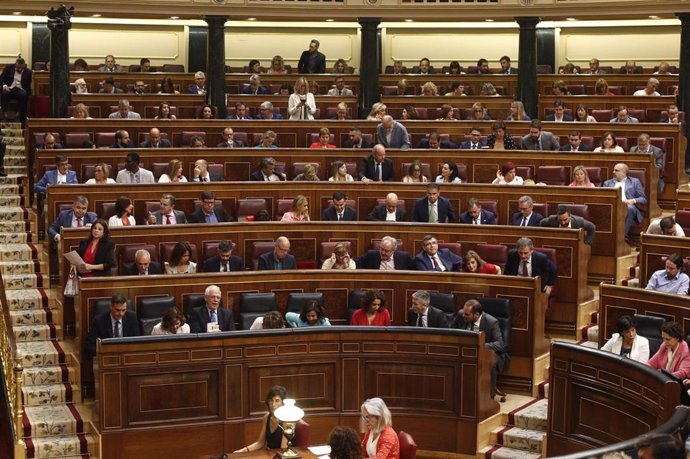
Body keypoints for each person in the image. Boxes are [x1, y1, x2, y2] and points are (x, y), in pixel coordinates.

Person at [452, 299, 509, 399]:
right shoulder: (461, 315)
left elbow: (500, 344)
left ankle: (489, 396)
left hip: (488, 352)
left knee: (489, 361)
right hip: (465, 350)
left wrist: (480, 345)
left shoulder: (491, 322)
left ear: (476, 315)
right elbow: (452, 331)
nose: (463, 316)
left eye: (467, 314)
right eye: (463, 313)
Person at [234, 386, 288, 453]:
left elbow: (283, 448)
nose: (273, 404)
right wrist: (242, 451)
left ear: (283, 403)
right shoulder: (267, 417)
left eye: (277, 401)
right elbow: (260, 443)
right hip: (269, 454)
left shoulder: (287, 420)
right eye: (271, 400)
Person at [84, 293, 139, 358]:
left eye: (123, 310)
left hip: (127, 357)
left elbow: (137, 341)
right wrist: (105, 351)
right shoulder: (99, 321)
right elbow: (89, 346)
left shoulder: (132, 317)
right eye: (117, 310)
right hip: (107, 357)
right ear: (111, 307)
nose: (121, 314)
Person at [602, 162, 647, 238]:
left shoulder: (634, 182)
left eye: (616, 170)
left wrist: (632, 200)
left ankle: (622, 236)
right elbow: (603, 197)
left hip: (627, 206)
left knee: (629, 208)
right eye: (613, 170)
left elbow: (643, 199)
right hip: (612, 206)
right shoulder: (607, 183)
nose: (613, 172)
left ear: (624, 172)